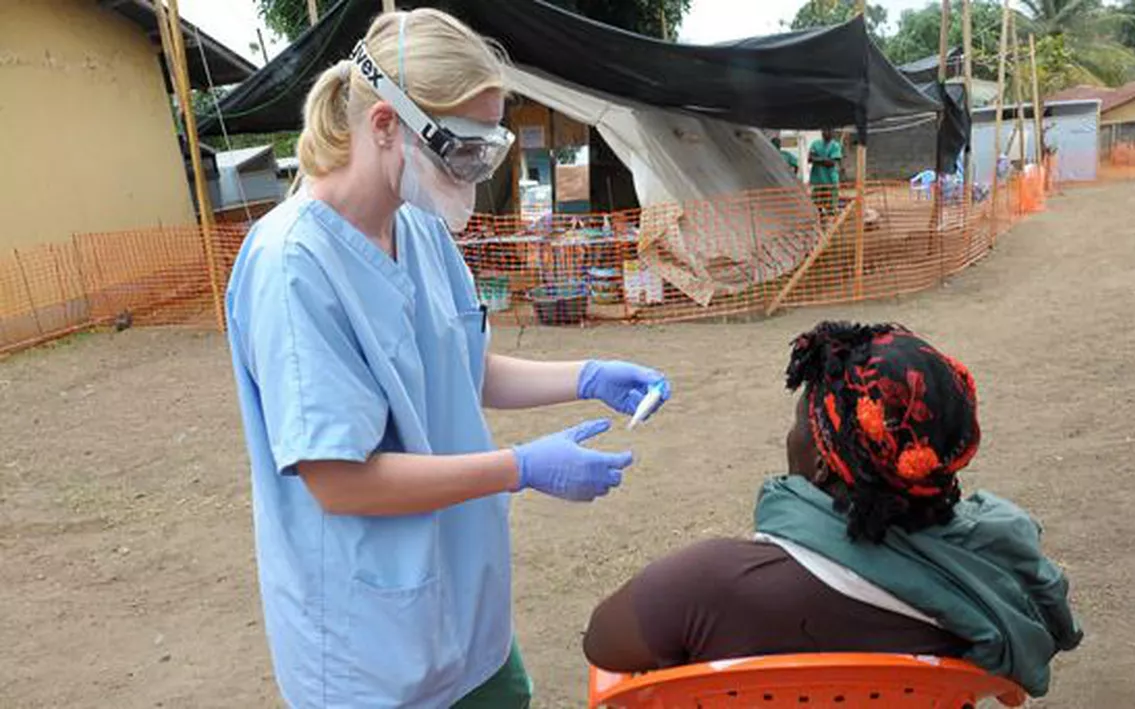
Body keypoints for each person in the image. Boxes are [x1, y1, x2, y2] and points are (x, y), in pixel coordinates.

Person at [225, 10, 671, 708]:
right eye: (462, 148)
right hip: (367, 647)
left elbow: (467, 369)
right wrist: (520, 468)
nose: (474, 170)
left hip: (465, 611)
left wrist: (586, 375)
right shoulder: (293, 267)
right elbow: (340, 481)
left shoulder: (420, 229)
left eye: (486, 149)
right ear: (383, 124)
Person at [582, 322, 1082, 698]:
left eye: (802, 421)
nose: (790, 435)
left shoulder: (711, 583)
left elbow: (602, 645)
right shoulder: (992, 580)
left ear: (822, 463)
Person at [808, 128, 844, 213]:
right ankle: (819, 223)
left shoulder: (835, 145)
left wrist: (817, 159)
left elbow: (831, 163)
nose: (826, 132)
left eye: (829, 130)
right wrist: (825, 160)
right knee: (816, 206)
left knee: (831, 207)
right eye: (824, 130)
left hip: (830, 180)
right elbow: (809, 159)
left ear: (832, 132)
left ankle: (831, 224)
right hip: (817, 180)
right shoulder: (815, 144)